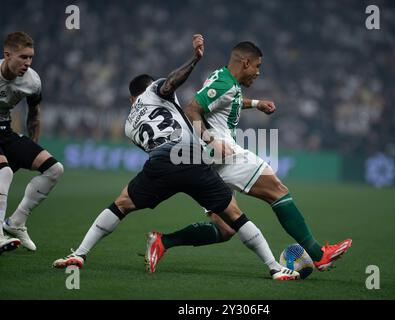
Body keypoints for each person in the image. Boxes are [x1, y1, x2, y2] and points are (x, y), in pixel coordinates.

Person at [52, 34, 299, 281]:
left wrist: (253, 103)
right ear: (150, 86)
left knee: (121, 204)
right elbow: (171, 85)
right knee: (234, 217)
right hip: (190, 156)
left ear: (130, 99)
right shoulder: (157, 89)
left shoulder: (129, 125)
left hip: (160, 163)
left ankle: (81, 254)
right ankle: (275, 268)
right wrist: (195, 59)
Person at [146, 41, 352, 273]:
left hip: (207, 164)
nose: (258, 72)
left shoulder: (222, 79)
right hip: (222, 155)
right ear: (245, 62)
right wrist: (211, 140)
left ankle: (163, 242)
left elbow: (226, 102)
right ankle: (319, 255)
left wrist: (256, 104)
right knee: (278, 190)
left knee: (225, 229)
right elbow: (192, 109)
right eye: (257, 66)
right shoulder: (225, 83)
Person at [0, 32, 64, 254]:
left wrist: (31, 149)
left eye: (31, 58)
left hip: (4, 131)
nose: (27, 63)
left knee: (54, 169)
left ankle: (15, 223)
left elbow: (34, 115)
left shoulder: (32, 81)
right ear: (7, 55)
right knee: (4, 172)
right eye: (22, 57)